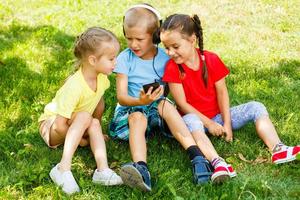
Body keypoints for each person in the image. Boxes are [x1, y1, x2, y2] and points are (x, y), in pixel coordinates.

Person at [109, 4, 233, 192]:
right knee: (137, 117)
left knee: (166, 104)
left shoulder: (166, 57)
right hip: (129, 113)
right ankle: (141, 168)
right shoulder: (125, 59)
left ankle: (197, 157)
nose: (133, 44)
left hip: (156, 112)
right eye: (129, 38)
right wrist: (140, 102)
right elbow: (122, 97)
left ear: (155, 36)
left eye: (139, 39)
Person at [160, 14, 300, 168]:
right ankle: (217, 162)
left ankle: (277, 148)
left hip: (218, 118)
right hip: (193, 123)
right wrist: (209, 124)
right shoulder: (172, 68)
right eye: (166, 48)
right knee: (191, 119)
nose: (170, 53)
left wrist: (226, 124)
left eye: (175, 46)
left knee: (256, 106)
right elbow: (182, 104)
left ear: (192, 40)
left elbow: (222, 93)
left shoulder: (211, 59)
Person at [38, 27, 123, 195]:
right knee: (85, 116)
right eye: (111, 59)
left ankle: (102, 170)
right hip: (51, 126)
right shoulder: (75, 86)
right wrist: (83, 142)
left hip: (75, 123)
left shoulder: (102, 78)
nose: (115, 63)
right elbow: (59, 126)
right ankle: (62, 169)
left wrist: (94, 130)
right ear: (93, 60)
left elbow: (98, 103)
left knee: (94, 121)